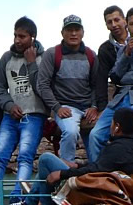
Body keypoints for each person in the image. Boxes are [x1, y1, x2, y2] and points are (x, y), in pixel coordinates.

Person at [23, 107, 133, 205]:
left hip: (90, 188)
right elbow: (102, 165)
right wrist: (77, 165)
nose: (110, 126)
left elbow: (95, 171)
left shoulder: (118, 149)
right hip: (102, 186)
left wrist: (62, 173)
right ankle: (30, 203)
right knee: (49, 166)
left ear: (117, 127)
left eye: (112, 123)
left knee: (46, 159)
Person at [0, 17, 46, 205]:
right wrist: (8, 105)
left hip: (34, 114)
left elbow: (42, 88)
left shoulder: (44, 58)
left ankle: (19, 196)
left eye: (22, 36)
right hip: (11, 116)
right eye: (15, 35)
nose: (17, 40)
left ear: (32, 37)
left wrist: (32, 63)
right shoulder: (7, 58)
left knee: (25, 156)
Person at [87, 7, 133, 162]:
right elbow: (114, 76)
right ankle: (98, 175)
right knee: (96, 134)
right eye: (132, 23)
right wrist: (126, 54)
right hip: (120, 99)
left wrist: (124, 78)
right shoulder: (123, 48)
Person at [36, 15, 99, 166]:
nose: (73, 34)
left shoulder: (91, 55)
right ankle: (65, 172)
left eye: (77, 30)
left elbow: (97, 85)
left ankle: (99, 174)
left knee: (98, 136)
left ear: (82, 32)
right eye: (69, 30)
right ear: (62, 33)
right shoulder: (52, 54)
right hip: (66, 107)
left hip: (87, 107)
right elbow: (42, 84)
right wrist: (57, 107)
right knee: (70, 132)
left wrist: (95, 106)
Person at [95, 6, 128, 115]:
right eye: (110, 22)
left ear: (125, 20)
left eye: (117, 20)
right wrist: (101, 108)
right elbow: (101, 79)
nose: (114, 25)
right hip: (120, 94)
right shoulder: (105, 49)